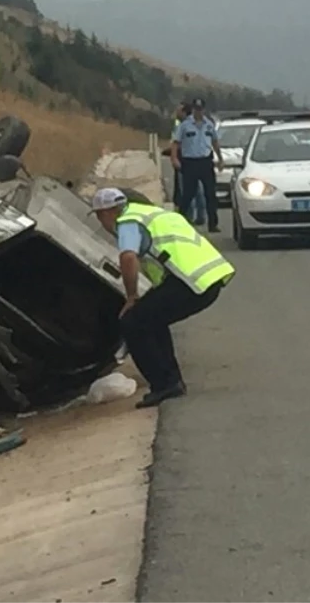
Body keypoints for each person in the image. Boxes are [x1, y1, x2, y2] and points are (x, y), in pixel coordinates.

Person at [90, 187, 234, 408]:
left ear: (109, 212)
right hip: (208, 278)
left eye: (100, 216)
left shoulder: (127, 221)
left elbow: (128, 257)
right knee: (151, 318)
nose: (102, 223)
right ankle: (170, 381)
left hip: (189, 282)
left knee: (132, 321)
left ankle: (165, 384)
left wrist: (131, 296)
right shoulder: (154, 214)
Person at [172, 98, 222, 232]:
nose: (198, 112)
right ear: (192, 110)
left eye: (200, 109)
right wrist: (174, 158)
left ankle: (213, 224)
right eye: (196, 109)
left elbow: (215, 142)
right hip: (190, 163)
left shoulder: (209, 124)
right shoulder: (185, 125)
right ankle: (180, 222)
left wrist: (220, 159)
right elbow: (176, 143)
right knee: (188, 194)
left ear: (203, 110)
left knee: (210, 194)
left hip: (205, 162)